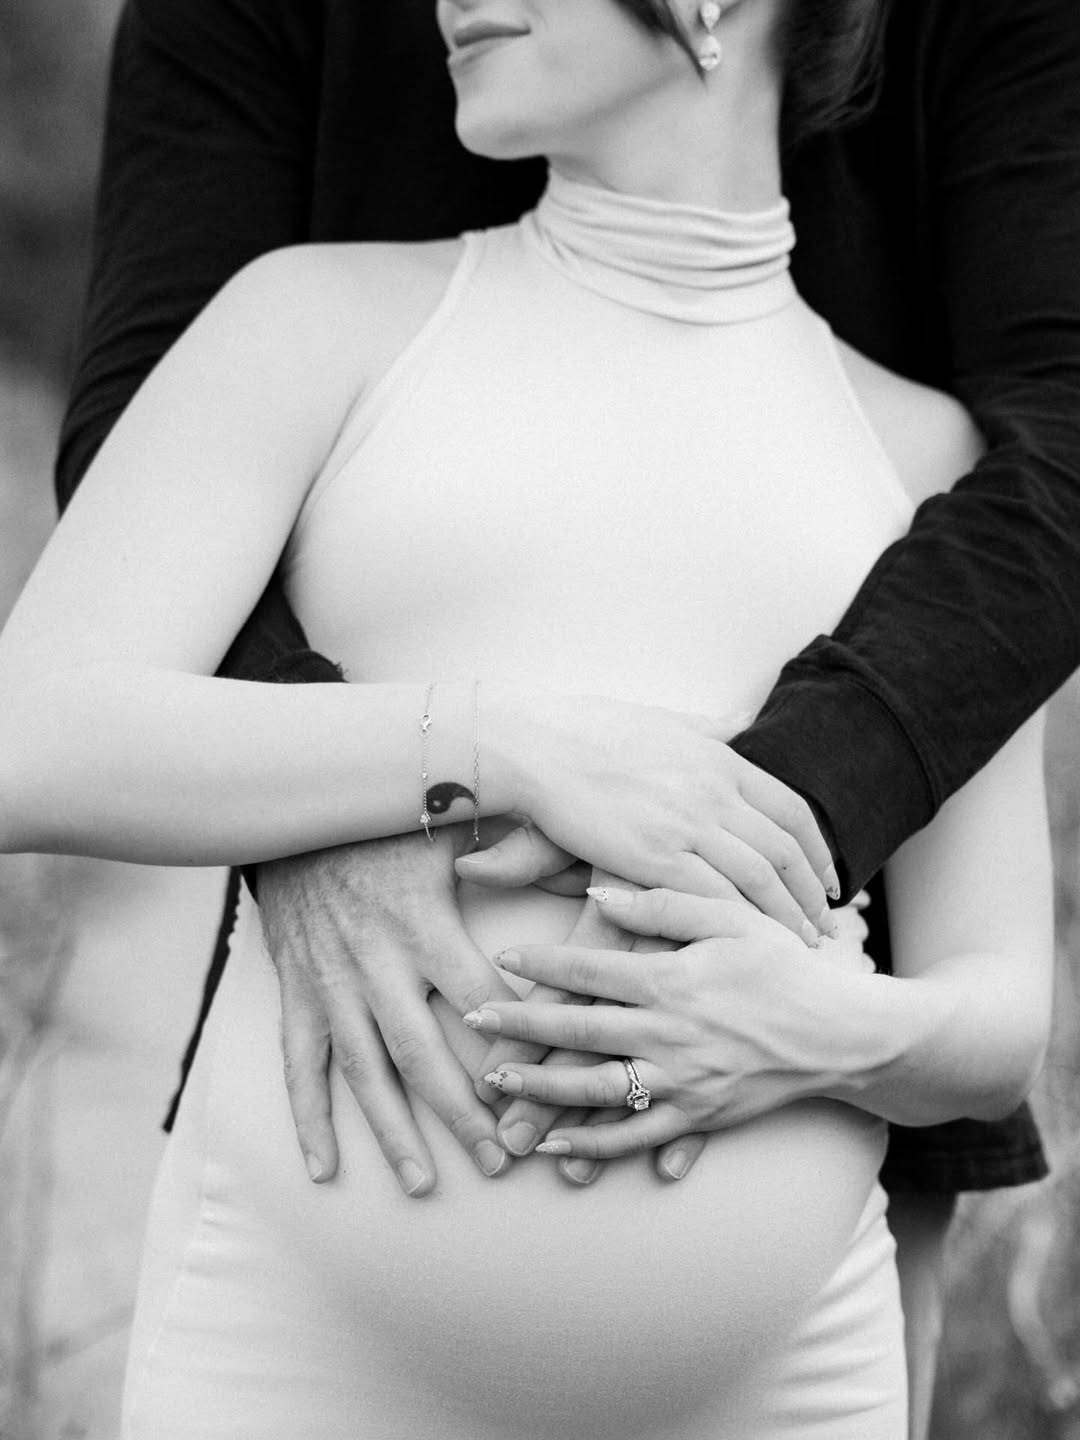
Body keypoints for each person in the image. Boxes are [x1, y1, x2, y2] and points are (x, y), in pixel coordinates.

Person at [0, 0, 1056, 1434]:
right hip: (290, 1352)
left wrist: (821, 1027)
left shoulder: (930, 460)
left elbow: (1000, 1015)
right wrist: (504, 747)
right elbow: (34, 734)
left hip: (790, 1385)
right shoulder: (307, 322)